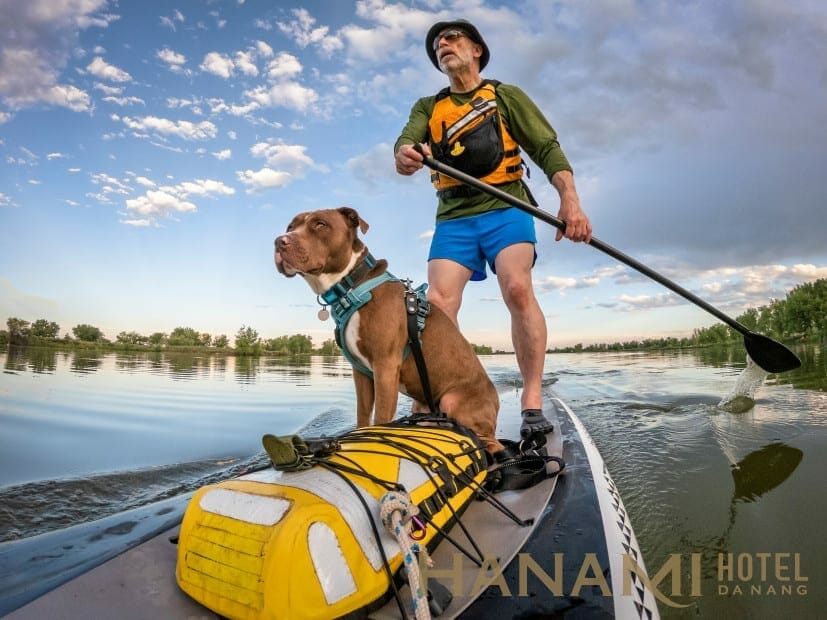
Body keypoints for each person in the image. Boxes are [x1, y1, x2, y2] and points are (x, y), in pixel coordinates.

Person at [394, 19, 592, 438]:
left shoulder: (504, 95)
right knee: (438, 303)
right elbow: (404, 145)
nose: (442, 45)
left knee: (517, 288)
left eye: (451, 38)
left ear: (477, 50)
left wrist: (570, 201)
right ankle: (427, 402)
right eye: (436, 45)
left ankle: (532, 400)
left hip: (507, 207)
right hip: (453, 217)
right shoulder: (427, 107)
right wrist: (406, 155)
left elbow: (546, 148)